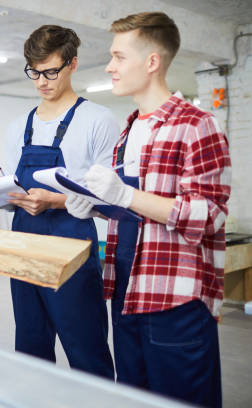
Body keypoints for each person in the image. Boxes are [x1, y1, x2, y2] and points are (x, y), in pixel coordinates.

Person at [66, 12, 230, 406]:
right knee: (134, 399)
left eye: (119, 57)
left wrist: (124, 195)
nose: (110, 66)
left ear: (152, 62)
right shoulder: (130, 129)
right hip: (127, 290)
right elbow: (138, 214)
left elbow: (208, 216)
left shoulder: (197, 125)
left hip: (175, 300)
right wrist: (97, 206)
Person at [3, 25, 118, 378]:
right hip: (23, 245)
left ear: (73, 64)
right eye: (34, 72)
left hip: (72, 249)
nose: (42, 81)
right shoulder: (19, 125)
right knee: (31, 350)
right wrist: (2, 197)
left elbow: (111, 197)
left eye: (51, 71)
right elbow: (10, 181)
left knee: (86, 351)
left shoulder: (98, 120)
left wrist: (56, 200)